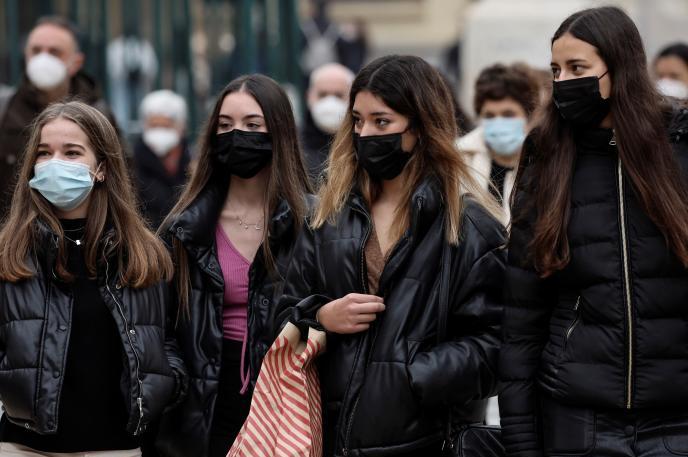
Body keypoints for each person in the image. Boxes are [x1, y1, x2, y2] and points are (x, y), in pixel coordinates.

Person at [276, 55, 506, 456]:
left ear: (419, 126)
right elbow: (281, 314)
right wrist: (321, 317)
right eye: (358, 121)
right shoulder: (327, 217)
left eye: (381, 122)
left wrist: (415, 374)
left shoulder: (467, 226)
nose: (365, 133)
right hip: (332, 440)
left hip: (429, 441)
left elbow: (497, 342)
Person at [500, 7, 688, 457]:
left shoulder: (679, 146)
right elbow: (522, 319)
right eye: (556, 70)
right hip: (577, 415)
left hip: (678, 413)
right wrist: (522, 444)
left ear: (619, 68)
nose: (563, 81)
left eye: (577, 68)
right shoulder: (547, 155)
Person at [0, 101, 186, 456]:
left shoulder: (141, 254)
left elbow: (168, 339)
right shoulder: (11, 252)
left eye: (72, 152)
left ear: (100, 167)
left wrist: (162, 385)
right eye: (44, 152)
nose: (55, 162)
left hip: (115, 446)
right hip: (24, 446)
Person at [155, 74, 312, 457]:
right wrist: (177, 382)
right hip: (203, 402)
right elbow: (159, 326)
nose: (236, 135)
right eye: (225, 125)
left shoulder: (314, 222)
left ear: (279, 132)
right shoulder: (184, 228)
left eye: (252, 125)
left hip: (285, 400)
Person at [0, 16, 119, 218]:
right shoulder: (4, 109)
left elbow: (122, 182)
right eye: (36, 51)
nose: (43, 59)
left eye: (54, 52)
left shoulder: (100, 114)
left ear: (76, 62)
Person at [458, 63, 539, 224]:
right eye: (489, 116)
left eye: (508, 114)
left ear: (528, 116)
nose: (499, 122)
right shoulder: (459, 160)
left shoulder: (544, 161)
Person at [133, 90, 191, 229]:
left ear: (181, 126)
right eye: (154, 125)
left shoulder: (194, 166)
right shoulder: (132, 168)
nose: (160, 132)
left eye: (166, 126)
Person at [302, 62, 354, 185]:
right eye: (322, 94)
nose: (330, 102)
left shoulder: (361, 146)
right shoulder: (291, 144)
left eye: (339, 95)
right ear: (309, 97)